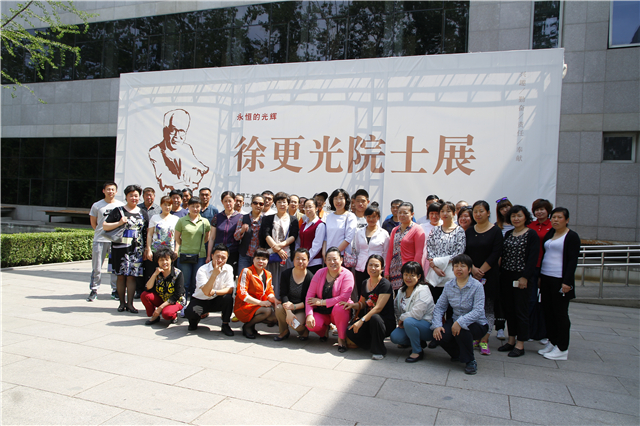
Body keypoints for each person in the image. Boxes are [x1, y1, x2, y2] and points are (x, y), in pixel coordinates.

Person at [431, 254, 489, 375]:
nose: (459, 268)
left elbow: (478, 310)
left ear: (469, 269)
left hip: (477, 323)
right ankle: (457, 354)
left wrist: (460, 322)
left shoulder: (477, 286)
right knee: (440, 335)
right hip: (456, 320)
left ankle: (470, 361)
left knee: (462, 329)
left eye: (463, 266)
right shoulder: (449, 285)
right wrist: (437, 325)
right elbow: (440, 307)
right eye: (456, 266)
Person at [538, 208, 580, 361]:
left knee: (560, 314)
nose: (555, 220)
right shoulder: (551, 233)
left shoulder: (571, 236)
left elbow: (572, 261)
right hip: (546, 277)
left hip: (560, 279)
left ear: (566, 220)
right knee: (548, 312)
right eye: (553, 217)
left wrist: (567, 282)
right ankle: (553, 341)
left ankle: (562, 348)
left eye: (559, 217)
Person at [498, 205, 539, 358]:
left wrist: (525, 277)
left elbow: (532, 258)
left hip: (522, 278)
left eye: (519, 216)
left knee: (521, 310)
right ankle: (511, 340)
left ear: (525, 217)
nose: (516, 218)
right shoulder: (509, 234)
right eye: (513, 216)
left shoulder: (531, 234)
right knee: (509, 310)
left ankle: (520, 344)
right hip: (506, 276)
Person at [464, 200, 503, 356]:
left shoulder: (496, 231)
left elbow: (496, 253)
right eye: (475, 211)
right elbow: (465, 252)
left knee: (487, 307)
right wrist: (473, 269)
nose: (478, 214)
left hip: (490, 275)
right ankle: (475, 336)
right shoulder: (469, 231)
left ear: (488, 212)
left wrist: (482, 270)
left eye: (481, 211)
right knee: (473, 307)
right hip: (471, 274)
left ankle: (485, 339)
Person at [103, 184, 148, 313]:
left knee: (132, 277)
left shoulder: (142, 213)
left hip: (136, 249)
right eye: (131, 195)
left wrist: (146, 248)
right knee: (121, 276)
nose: (134, 198)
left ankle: (130, 304)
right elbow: (105, 226)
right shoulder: (118, 211)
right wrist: (119, 222)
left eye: (136, 196)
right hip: (120, 248)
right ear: (126, 197)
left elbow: (146, 232)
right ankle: (122, 303)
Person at [343, 255, 395, 359]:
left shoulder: (385, 284)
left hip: (383, 322)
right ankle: (372, 343)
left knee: (375, 318)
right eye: (370, 265)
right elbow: (362, 304)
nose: (373, 268)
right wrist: (353, 305)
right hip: (368, 320)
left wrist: (361, 320)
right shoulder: (365, 283)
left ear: (382, 268)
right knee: (350, 331)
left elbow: (378, 308)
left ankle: (379, 351)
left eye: (376, 265)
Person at [305, 247, 354, 352]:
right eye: (329, 259)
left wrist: (322, 302)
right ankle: (324, 331)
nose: (332, 262)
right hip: (323, 311)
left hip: (340, 311)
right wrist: (309, 315)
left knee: (340, 307)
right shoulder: (319, 273)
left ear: (341, 260)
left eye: (335, 259)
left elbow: (343, 298)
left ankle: (341, 339)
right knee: (312, 325)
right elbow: (309, 296)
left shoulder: (347, 275)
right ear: (325, 261)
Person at [148, 109, 209, 191]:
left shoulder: (186, 148)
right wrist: (188, 178)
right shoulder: (155, 151)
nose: (176, 136)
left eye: (181, 131)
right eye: (173, 130)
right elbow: (166, 180)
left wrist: (193, 175)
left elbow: (203, 169)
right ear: (165, 131)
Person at [184, 243, 235, 335]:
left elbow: (230, 289)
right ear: (212, 256)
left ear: (227, 258)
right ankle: (194, 322)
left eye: (223, 257)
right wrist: (214, 274)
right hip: (201, 299)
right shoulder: (202, 270)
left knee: (228, 298)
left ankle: (225, 324)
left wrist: (214, 292)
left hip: (217, 298)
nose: (220, 260)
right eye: (217, 256)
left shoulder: (229, 268)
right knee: (190, 312)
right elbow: (206, 292)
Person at [389, 261, 435, 362]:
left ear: (419, 276)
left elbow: (417, 314)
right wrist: (400, 320)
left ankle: (417, 351)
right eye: (406, 274)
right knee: (395, 337)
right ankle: (419, 342)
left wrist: (402, 319)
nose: (408, 278)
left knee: (409, 321)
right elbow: (397, 308)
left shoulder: (423, 290)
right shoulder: (401, 290)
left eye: (412, 275)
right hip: (408, 324)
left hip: (427, 326)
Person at [86, 182, 124, 302]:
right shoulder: (97, 205)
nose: (110, 191)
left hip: (115, 240)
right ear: (103, 191)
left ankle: (115, 290)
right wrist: (102, 232)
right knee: (97, 266)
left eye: (112, 189)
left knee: (114, 267)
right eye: (108, 189)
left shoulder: (120, 205)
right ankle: (94, 289)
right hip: (99, 240)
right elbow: (94, 223)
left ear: (116, 191)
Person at [260, 192, 300, 296]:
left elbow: (293, 236)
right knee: (271, 281)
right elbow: (266, 234)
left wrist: (280, 246)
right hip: (271, 255)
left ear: (288, 204)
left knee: (285, 281)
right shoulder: (268, 218)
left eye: (284, 202)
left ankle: (283, 301)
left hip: (287, 255)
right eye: (279, 202)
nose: (282, 204)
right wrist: (277, 249)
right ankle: (271, 301)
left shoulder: (293, 219)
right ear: (275, 204)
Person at [424, 201, 466, 298]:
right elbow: (430, 249)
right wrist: (435, 268)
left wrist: (438, 262)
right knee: (435, 302)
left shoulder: (459, 231)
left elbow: (459, 252)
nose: (445, 213)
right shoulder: (435, 230)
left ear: (454, 213)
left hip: (452, 271)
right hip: (435, 273)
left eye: (448, 211)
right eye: (442, 211)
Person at [234, 248, 278, 339]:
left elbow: (269, 291)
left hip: (259, 306)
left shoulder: (268, 274)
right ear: (253, 259)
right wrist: (261, 303)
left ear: (267, 261)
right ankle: (247, 326)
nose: (260, 261)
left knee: (275, 317)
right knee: (267, 311)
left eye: (264, 259)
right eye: (258, 258)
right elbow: (242, 293)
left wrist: (274, 300)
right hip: (244, 306)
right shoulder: (247, 271)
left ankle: (251, 325)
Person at [527, 198, 553, 343]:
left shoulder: (553, 226)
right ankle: (531, 331)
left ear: (548, 210)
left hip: (548, 268)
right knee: (530, 300)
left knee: (546, 302)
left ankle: (546, 333)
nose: (539, 212)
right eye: (537, 209)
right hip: (532, 267)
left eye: (542, 209)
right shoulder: (530, 226)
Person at [175, 196, 211, 301]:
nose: (195, 209)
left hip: (200, 256)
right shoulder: (181, 221)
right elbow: (177, 238)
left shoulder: (205, 222)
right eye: (193, 206)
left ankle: (195, 304)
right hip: (184, 255)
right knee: (184, 283)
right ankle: (182, 304)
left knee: (197, 282)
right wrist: (186, 246)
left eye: (197, 206)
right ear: (188, 207)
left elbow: (207, 238)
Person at [274, 248, 314, 341]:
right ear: (293, 259)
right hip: (288, 305)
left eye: (303, 259)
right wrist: (288, 311)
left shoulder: (311, 277)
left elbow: (309, 300)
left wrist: (294, 307)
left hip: (301, 308)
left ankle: (303, 331)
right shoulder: (286, 274)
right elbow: (283, 294)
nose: (300, 261)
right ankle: (284, 331)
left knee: (295, 324)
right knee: (279, 308)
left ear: (308, 261)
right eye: (297, 258)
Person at [385, 202, 425, 291]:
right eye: (400, 212)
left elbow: (419, 253)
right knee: (397, 295)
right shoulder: (395, 230)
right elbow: (390, 251)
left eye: (405, 213)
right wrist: (387, 270)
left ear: (412, 214)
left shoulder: (417, 229)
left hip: (409, 271)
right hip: (395, 270)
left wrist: (414, 271)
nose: (402, 215)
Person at [141, 247, 185, 325]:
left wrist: (160, 308)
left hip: (175, 301)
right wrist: (155, 274)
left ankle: (173, 316)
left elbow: (178, 295)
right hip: (162, 298)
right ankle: (154, 316)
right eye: (161, 260)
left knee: (167, 314)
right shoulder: (157, 271)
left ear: (171, 260)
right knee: (145, 295)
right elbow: (147, 288)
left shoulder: (178, 273)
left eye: (167, 259)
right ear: (157, 261)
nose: (164, 262)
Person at [352, 204, 390, 295]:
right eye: (368, 216)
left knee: (375, 293)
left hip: (376, 268)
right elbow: (358, 249)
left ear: (378, 217)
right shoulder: (359, 232)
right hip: (361, 267)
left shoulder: (384, 233)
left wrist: (382, 267)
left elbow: (386, 252)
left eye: (374, 217)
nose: (371, 219)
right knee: (361, 292)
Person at [207, 191, 243, 276]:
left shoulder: (240, 217)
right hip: (218, 254)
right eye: (225, 201)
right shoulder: (217, 217)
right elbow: (212, 238)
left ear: (234, 201)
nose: (228, 203)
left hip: (233, 252)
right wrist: (208, 255)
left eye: (230, 201)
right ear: (222, 202)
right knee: (216, 275)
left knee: (230, 276)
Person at [323, 189, 357, 262]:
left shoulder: (350, 216)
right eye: (335, 198)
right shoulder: (328, 216)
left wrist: (336, 253)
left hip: (342, 256)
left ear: (346, 200)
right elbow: (325, 237)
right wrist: (324, 253)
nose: (338, 201)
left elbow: (348, 238)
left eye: (341, 198)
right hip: (329, 256)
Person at [235, 194, 265, 274]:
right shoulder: (243, 218)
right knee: (243, 277)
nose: (258, 205)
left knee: (257, 278)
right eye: (255, 203)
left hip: (260, 256)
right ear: (251, 204)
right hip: (245, 255)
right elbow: (236, 237)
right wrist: (241, 230)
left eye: (261, 204)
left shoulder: (265, 220)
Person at [298, 198, 326, 274]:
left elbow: (317, 245)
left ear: (316, 208)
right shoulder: (304, 224)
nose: (307, 209)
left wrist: (306, 259)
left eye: (310, 207)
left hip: (314, 262)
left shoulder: (320, 225)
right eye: (306, 207)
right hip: (302, 261)